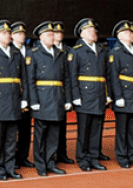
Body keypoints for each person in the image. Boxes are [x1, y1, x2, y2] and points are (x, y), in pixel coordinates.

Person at [25, 21, 71, 176]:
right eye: (49, 35)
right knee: (40, 134)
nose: (53, 37)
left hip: (57, 97)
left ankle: (50, 162)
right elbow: (30, 80)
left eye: (53, 34)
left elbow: (66, 79)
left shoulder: (60, 53)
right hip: (42, 98)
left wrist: (67, 99)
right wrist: (34, 101)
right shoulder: (33, 53)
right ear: (41, 37)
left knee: (54, 134)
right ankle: (40, 165)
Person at [0, 20, 26, 181]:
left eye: (9, 33)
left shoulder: (16, 53)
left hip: (14, 100)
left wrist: (24, 98)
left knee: (11, 138)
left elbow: (23, 78)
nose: (7, 35)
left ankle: (10, 167)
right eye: (4, 33)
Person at [67, 18, 109, 171]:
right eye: (90, 31)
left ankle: (94, 157)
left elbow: (106, 75)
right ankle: (83, 159)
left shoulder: (101, 50)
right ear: (82, 33)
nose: (94, 33)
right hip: (85, 96)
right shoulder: (76, 51)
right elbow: (72, 76)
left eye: (94, 30)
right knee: (84, 131)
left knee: (96, 130)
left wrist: (107, 94)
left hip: (98, 95)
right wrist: (76, 97)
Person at [108, 20, 133, 167]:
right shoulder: (115, 53)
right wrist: (117, 97)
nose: (131, 35)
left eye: (131, 32)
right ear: (120, 36)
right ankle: (122, 156)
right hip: (123, 94)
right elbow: (113, 76)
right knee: (122, 130)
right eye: (127, 32)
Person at [9, 23, 33, 170]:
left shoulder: (31, 51)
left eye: (23, 34)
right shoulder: (9, 50)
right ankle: (13, 158)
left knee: (25, 129)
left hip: (27, 94)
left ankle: (23, 157)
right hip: (13, 95)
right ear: (12, 36)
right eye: (18, 34)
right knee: (13, 130)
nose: (21, 36)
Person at [50, 23, 74, 166]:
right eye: (55, 32)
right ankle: (51, 155)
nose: (59, 34)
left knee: (62, 126)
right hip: (51, 90)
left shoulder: (69, 50)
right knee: (51, 127)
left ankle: (62, 153)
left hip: (63, 90)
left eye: (60, 32)